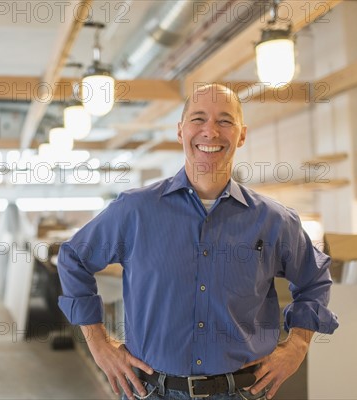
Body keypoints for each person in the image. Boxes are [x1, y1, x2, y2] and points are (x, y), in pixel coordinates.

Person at [57, 84, 339, 400]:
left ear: (242, 134)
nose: (210, 132)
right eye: (198, 119)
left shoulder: (275, 220)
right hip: (153, 392)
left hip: (241, 392)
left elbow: (314, 282)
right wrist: (98, 343)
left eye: (225, 121)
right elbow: (73, 258)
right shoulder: (134, 211)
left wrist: (298, 345)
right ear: (181, 131)